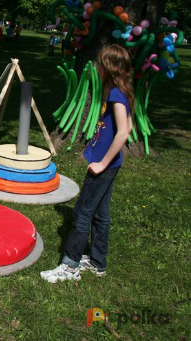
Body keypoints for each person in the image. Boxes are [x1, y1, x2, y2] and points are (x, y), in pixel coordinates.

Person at [40, 44, 134, 283]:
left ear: (109, 67)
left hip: (104, 166)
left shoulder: (115, 94)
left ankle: (70, 266)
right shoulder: (122, 90)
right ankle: (97, 262)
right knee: (101, 214)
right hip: (109, 163)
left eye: (100, 63)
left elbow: (123, 133)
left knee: (82, 212)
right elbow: (129, 127)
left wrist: (102, 162)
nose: (97, 66)